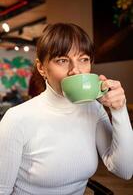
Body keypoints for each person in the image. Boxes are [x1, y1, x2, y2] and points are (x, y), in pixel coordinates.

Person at [0, 23, 133, 195]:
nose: (75, 71)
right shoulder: (16, 119)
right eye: (62, 60)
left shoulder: (93, 109)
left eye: (83, 59)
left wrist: (119, 110)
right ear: (42, 68)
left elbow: (125, 170)